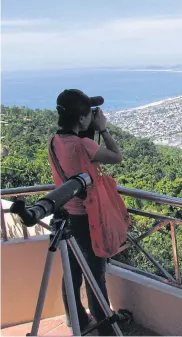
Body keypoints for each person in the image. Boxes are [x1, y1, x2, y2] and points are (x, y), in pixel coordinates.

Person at [48, 89, 123, 335]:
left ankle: (76, 319)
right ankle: (105, 327)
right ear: (81, 119)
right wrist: (103, 128)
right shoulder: (84, 145)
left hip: (63, 216)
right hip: (85, 219)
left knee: (71, 272)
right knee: (95, 274)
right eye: (88, 114)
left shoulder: (54, 141)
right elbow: (116, 156)